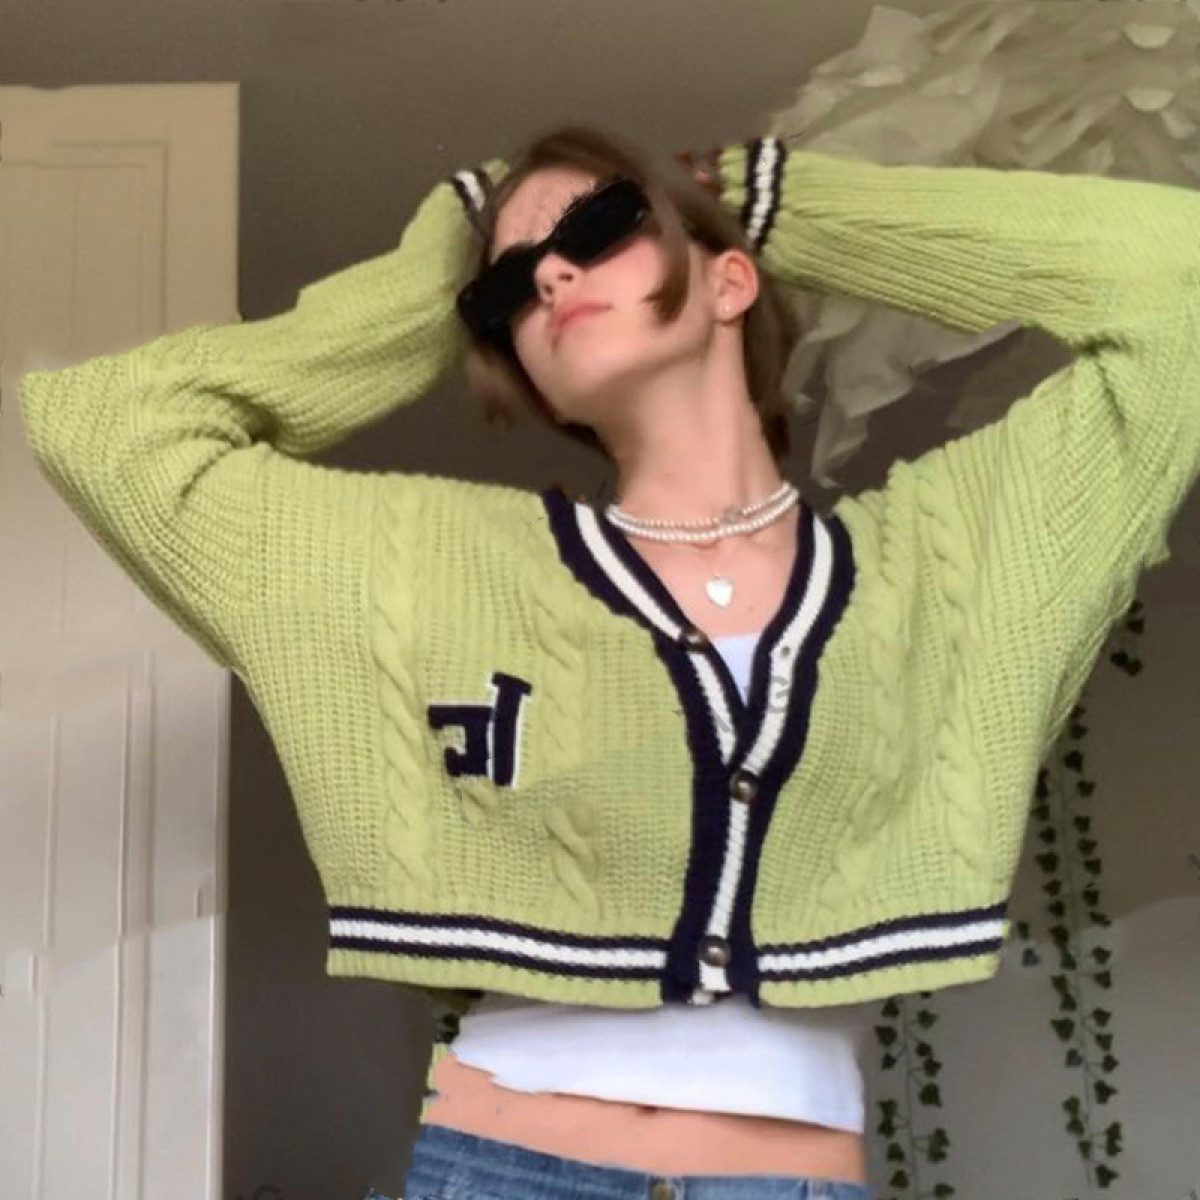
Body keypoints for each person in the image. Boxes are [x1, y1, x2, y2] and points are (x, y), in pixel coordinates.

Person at [18, 121, 1200, 1200]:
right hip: (496, 1174)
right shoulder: (421, 562)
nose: (549, 276)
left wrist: (793, 207)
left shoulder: (952, 563)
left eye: (597, 227)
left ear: (728, 278)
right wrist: (427, 278)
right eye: (506, 288)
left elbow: (1179, 286)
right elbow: (112, 425)